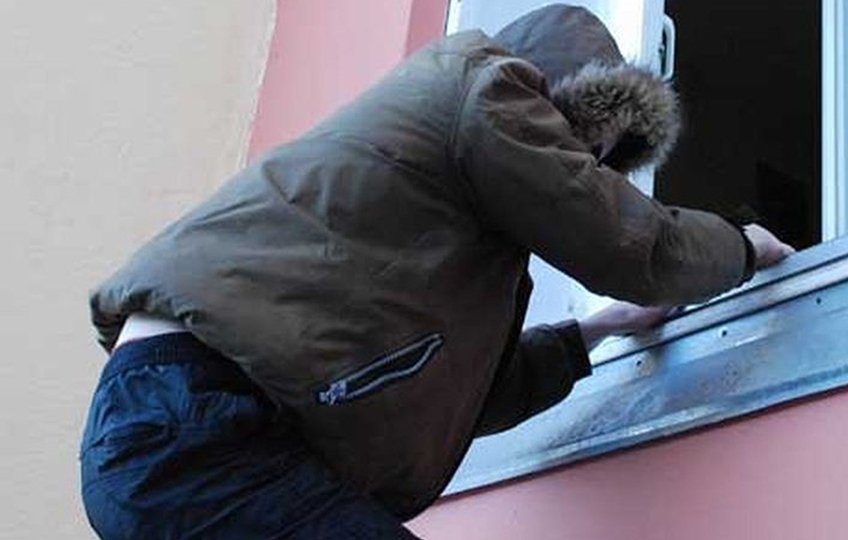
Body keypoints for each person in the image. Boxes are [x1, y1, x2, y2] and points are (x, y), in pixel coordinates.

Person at [80, 4, 794, 539]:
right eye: (588, 144)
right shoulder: (485, 85)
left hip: (182, 429)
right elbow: (636, 249)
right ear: (558, 92)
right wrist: (743, 244)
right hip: (191, 413)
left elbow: (463, 392)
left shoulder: (456, 226)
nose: (591, 169)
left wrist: (595, 332)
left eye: (605, 163)